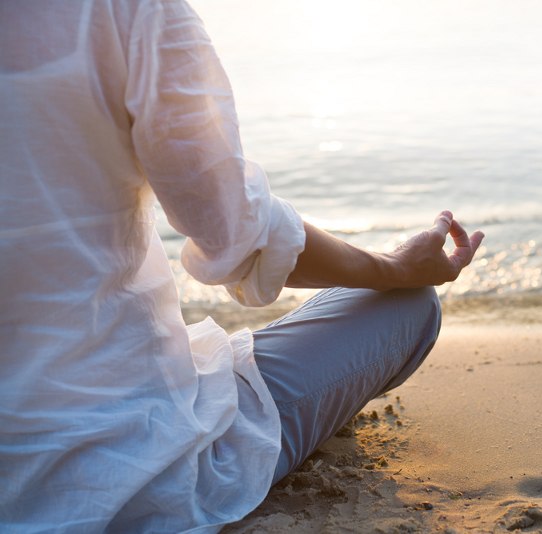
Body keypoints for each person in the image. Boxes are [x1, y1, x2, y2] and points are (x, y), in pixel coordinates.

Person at [0, 1, 483, 532]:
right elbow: (237, 235)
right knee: (408, 308)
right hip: (127, 466)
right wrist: (393, 268)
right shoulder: (127, 13)